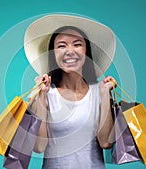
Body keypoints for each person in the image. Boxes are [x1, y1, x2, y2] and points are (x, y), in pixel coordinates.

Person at [24, 14, 117, 169]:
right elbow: (38, 147)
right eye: (61, 46)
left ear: (86, 51)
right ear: (53, 54)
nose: (69, 51)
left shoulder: (100, 91)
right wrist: (41, 96)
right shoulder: (45, 94)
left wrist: (104, 95)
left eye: (77, 44)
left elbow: (106, 142)